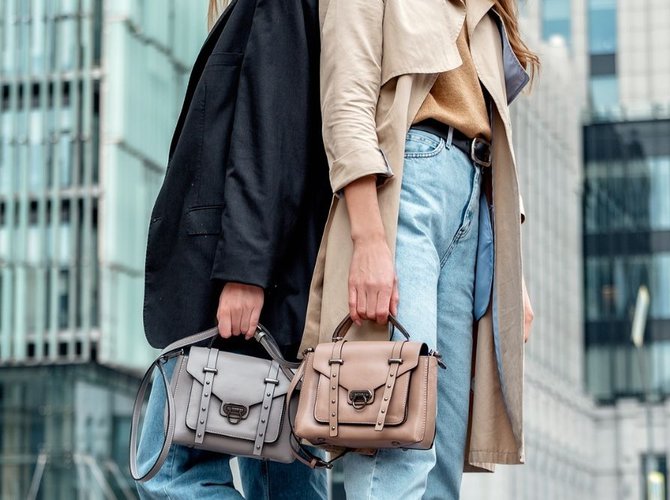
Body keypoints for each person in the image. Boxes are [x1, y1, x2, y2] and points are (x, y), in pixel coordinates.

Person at [299, 0, 539, 498]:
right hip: (405, 186)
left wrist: (512, 275)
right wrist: (368, 239)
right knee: (394, 443)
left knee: (442, 466)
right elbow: (346, 98)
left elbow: (499, 142)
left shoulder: (487, 9)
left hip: (474, 197)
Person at [135, 0, 330, 498]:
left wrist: (246, 273)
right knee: (288, 484)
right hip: (274, 292)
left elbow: (272, 135)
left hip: (240, 293)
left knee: (170, 472)